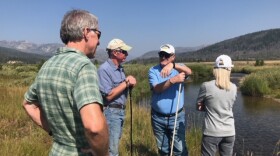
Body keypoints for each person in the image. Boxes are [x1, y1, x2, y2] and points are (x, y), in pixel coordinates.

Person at [22, 9, 109, 156]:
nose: (99, 41)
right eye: (98, 34)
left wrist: (54, 132)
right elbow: (94, 128)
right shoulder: (84, 66)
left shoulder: (48, 64)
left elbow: (28, 104)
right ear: (86, 32)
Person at [148, 44, 192, 156]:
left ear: (173, 56)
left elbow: (189, 72)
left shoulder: (178, 67)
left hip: (176, 117)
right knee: (163, 149)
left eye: (166, 55)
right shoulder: (153, 70)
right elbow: (157, 89)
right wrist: (173, 80)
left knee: (179, 150)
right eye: (161, 54)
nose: (163, 57)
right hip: (158, 118)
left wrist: (172, 65)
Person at [98, 38, 137, 156]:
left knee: (114, 143)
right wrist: (126, 83)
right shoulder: (104, 69)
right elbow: (109, 96)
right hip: (111, 112)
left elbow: (119, 89)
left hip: (119, 112)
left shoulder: (120, 68)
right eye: (124, 51)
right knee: (112, 149)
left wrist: (129, 85)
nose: (127, 54)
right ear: (115, 52)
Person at [196, 54, 237, 156]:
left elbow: (198, 106)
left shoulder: (206, 86)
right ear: (229, 69)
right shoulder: (234, 87)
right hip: (229, 132)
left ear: (215, 69)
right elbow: (229, 104)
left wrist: (207, 107)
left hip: (211, 132)